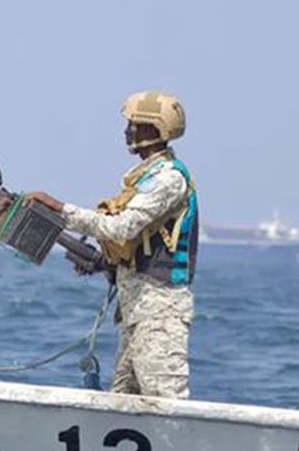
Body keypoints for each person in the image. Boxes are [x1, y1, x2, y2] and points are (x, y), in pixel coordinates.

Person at [27, 90, 198, 398]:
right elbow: (134, 242)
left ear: (153, 129)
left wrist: (59, 209)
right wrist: (104, 262)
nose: (128, 131)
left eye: (134, 124)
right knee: (124, 399)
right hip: (136, 309)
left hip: (159, 313)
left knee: (165, 401)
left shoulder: (169, 180)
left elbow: (121, 227)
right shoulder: (146, 178)